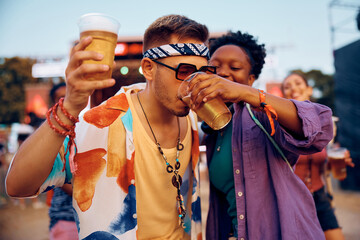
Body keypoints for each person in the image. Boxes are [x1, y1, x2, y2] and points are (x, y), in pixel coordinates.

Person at [6, 14, 211, 239]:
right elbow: (18, 186)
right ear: (149, 68)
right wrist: (71, 106)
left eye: (202, 74)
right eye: (184, 72)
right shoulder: (100, 123)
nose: (194, 85)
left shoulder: (191, 118)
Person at [192, 31, 334, 239]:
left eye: (235, 68)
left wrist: (245, 93)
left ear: (251, 79)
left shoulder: (260, 115)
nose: (222, 73)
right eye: (215, 66)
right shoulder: (212, 131)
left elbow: (321, 125)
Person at [282, 72, 354, 240]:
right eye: (287, 86)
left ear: (309, 89)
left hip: (320, 197)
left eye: (298, 83)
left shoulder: (326, 124)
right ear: (284, 95)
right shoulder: (279, 125)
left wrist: (338, 163)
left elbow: (323, 164)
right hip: (292, 200)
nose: (293, 88)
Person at [47, 82, 78, 240]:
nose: (66, 101)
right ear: (53, 103)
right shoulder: (51, 134)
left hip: (89, 219)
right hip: (65, 218)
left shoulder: (84, 126)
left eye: (69, 96)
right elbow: (61, 179)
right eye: (61, 98)